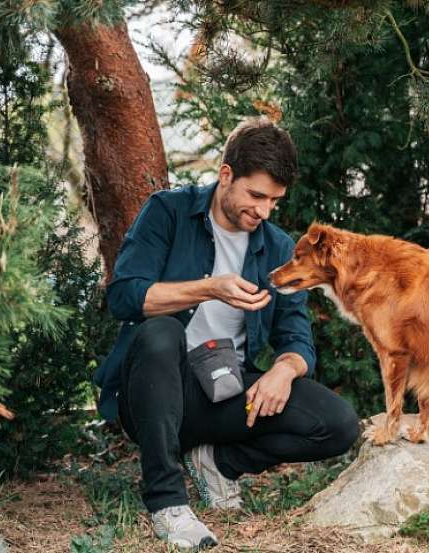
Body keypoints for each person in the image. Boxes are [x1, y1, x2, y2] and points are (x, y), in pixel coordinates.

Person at [94, 117, 359, 550]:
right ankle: (167, 503)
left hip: (222, 391)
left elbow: (296, 334)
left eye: (274, 201)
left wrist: (285, 370)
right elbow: (124, 296)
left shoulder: (275, 246)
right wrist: (209, 287)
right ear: (226, 175)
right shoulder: (168, 212)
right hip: (153, 391)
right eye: (256, 195)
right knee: (160, 332)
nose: (264, 211)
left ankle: (218, 463)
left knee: (339, 423)